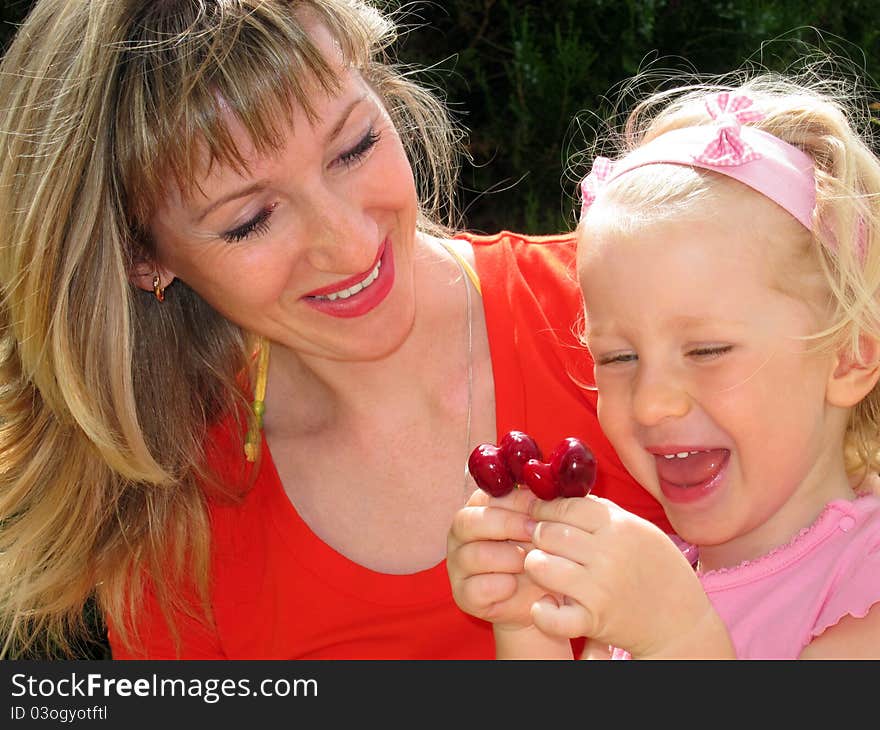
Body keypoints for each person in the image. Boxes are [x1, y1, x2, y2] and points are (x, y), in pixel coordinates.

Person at [0, 0, 669, 659]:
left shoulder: (641, 319)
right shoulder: (175, 545)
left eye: (354, 147)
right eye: (249, 220)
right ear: (140, 256)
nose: (349, 244)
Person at [446, 72, 880, 659]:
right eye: (618, 357)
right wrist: (529, 623)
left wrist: (677, 638)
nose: (651, 403)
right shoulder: (654, 585)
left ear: (849, 356)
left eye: (706, 351)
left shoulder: (862, 588)